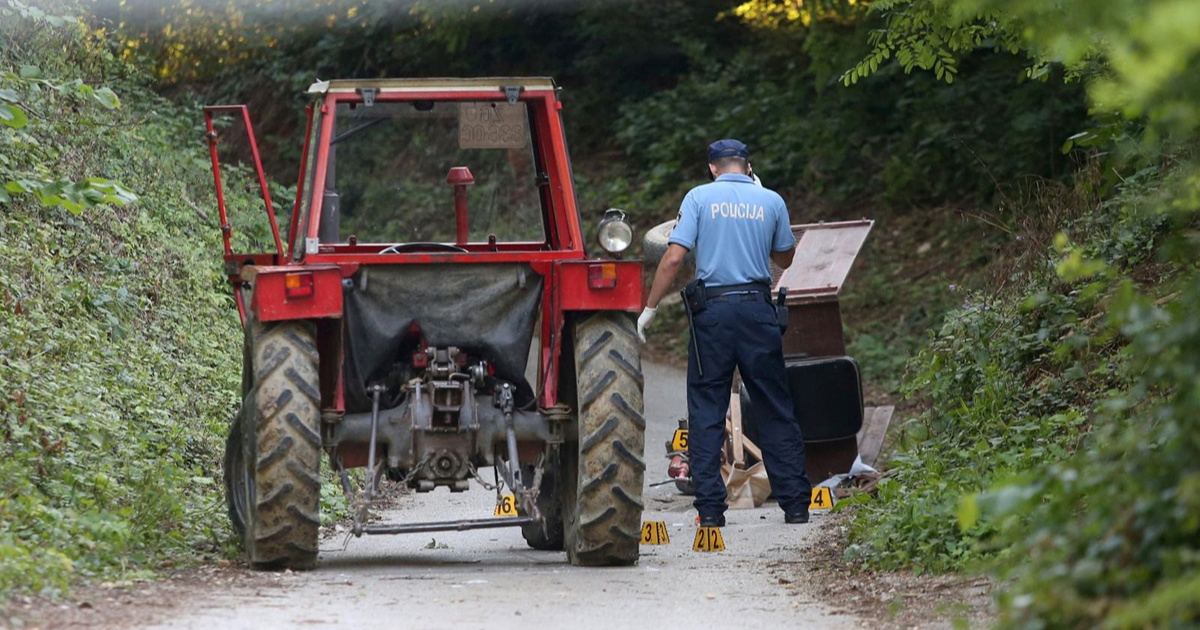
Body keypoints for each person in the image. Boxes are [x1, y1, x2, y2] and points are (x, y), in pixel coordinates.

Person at [638, 139, 812, 527]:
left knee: (706, 409)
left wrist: (650, 307)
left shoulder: (699, 198)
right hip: (757, 310)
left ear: (713, 168)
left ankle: (711, 511)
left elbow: (674, 256)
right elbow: (785, 257)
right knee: (774, 405)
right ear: (748, 166)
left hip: (712, 314)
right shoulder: (771, 200)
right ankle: (796, 505)